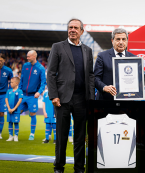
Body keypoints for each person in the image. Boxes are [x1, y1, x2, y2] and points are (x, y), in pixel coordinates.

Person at [47, 18, 94, 173]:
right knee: (61, 136)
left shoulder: (88, 50)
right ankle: (59, 167)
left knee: (80, 137)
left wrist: (91, 99)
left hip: (82, 100)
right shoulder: (58, 47)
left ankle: (79, 168)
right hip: (62, 99)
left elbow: (91, 76)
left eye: (75, 28)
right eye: (70, 27)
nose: (72, 30)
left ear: (81, 31)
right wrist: (54, 95)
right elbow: (51, 73)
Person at [94, 28, 136, 100]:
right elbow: (95, 78)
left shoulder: (134, 58)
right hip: (106, 101)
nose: (121, 42)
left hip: (126, 102)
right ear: (112, 41)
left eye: (123, 39)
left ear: (127, 41)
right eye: (118, 39)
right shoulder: (102, 56)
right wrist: (104, 87)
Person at [19, 50, 46, 140]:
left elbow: (43, 83)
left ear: (34, 56)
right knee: (17, 111)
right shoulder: (25, 66)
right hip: (23, 94)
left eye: (28, 56)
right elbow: (22, 78)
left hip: (33, 96)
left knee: (32, 113)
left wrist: (39, 92)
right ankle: (14, 134)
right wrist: (19, 90)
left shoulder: (41, 68)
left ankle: (32, 134)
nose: (27, 58)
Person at [0, 53, 13, 139]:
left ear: (4, 61)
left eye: (1, 60)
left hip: (3, 95)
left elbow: (12, 82)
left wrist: (10, 92)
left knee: (1, 113)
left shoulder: (8, 70)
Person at [5, 77, 23, 142]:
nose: (10, 84)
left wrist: (14, 109)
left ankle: (16, 136)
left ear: (16, 83)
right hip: (9, 110)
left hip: (16, 111)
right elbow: (6, 99)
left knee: (16, 123)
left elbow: (19, 100)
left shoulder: (19, 91)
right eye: (10, 82)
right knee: (10, 122)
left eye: (12, 82)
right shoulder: (9, 91)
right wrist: (9, 108)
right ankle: (10, 136)